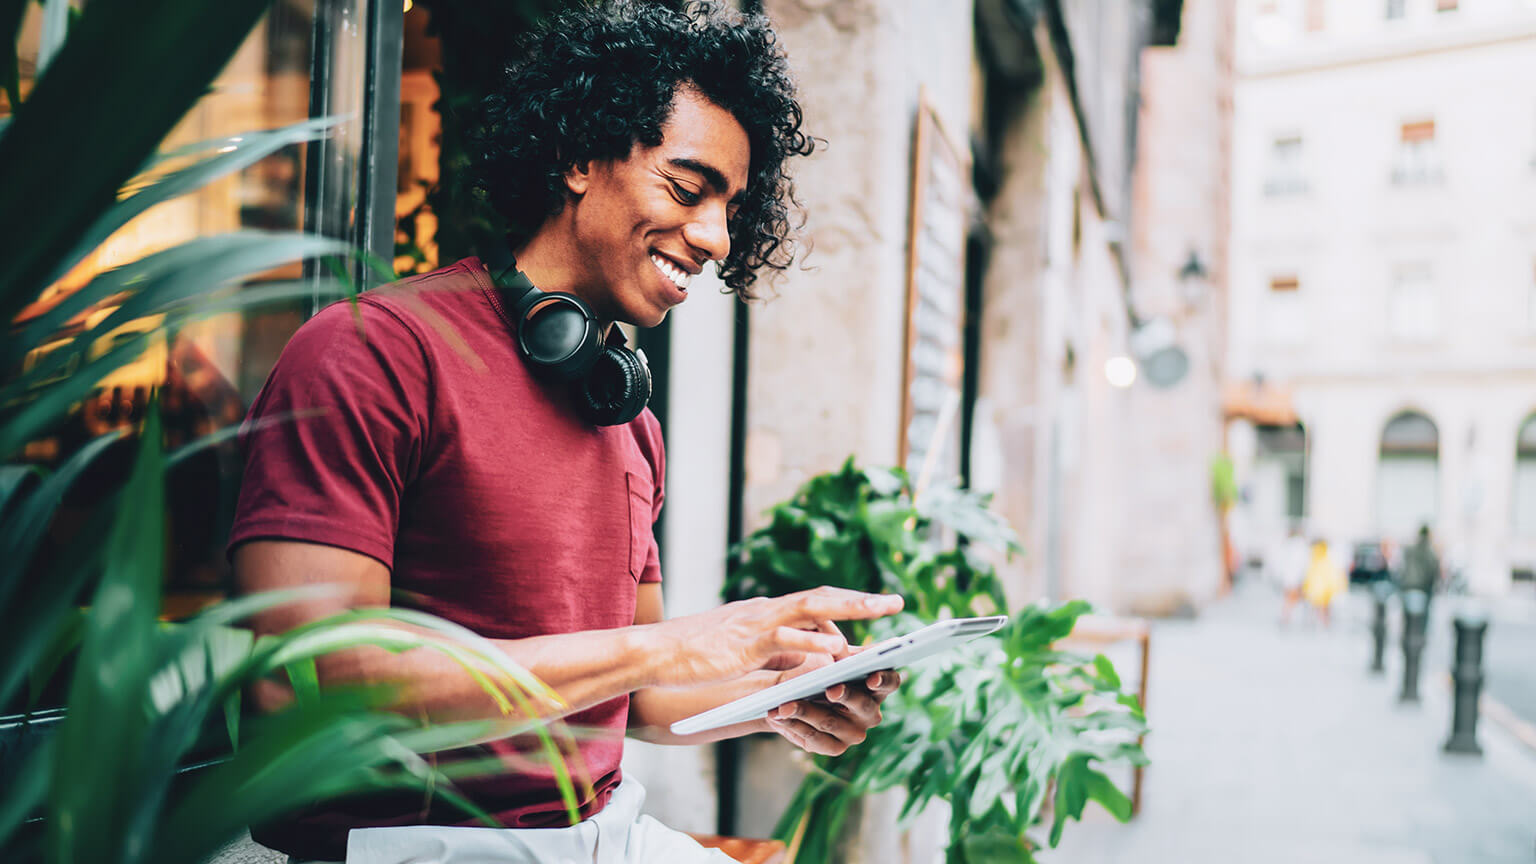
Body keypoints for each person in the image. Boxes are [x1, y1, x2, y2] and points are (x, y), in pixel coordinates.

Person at [228, 4, 904, 862]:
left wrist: (777, 690)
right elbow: (307, 687)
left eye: (731, 208)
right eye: (688, 189)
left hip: (605, 834)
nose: (715, 238)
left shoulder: (629, 423)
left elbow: (641, 695)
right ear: (581, 157)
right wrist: (663, 644)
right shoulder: (370, 354)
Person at [1301, 539, 1346, 628]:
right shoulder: (1326, 555)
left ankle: (1318, 623)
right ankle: (1323, 623)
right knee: (1324, 606)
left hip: (1317, 584)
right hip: (1323, 585)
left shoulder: (1314, 555)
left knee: (1317, 606)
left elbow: (1310, 570)